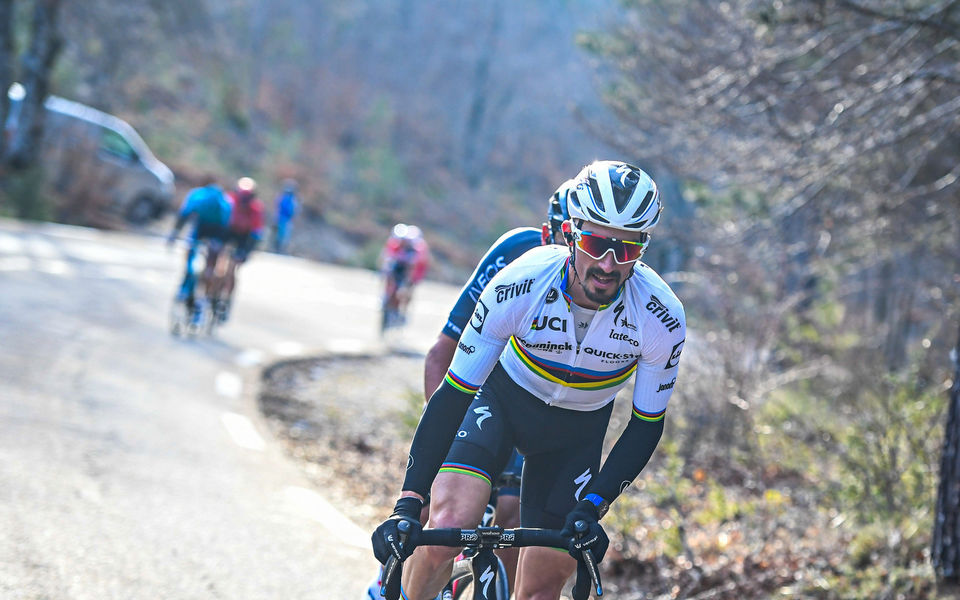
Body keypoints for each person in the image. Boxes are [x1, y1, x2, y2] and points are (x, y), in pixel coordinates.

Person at [371, 161, 686, 600]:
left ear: (643, 248)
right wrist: (410, 501)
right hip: (499, 405)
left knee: (540, 590)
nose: (608, 264)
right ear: (573, 232)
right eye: (597, 242)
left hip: (574, 436)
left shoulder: (660, 317)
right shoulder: (520, 282)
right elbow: (453, 395)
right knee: (445, 530)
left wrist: (595, 505)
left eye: (627, 249)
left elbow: (646, 423)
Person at [364, 181, 575, 599]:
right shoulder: (515, 252)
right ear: (548, 231)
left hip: (540, 417)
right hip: (483, 398)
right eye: (563, 238)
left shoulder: (608, 288)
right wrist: (447, 444)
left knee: (517, 521)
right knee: (442, 516)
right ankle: (399, 583)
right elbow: (442, 353)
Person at [166, 175, 231, 326]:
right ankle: (203, 301)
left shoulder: (197, 195)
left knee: (190, 261)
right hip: (216, 235)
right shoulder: (224, 201)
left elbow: (184, 215)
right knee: (210, 269)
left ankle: (185, 288)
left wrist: (174, 235)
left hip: (198, 231)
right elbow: (226, 224)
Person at [219, 176, 265, 322]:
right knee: (218, 264)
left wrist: (246, 252)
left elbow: (256, 233)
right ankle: (212, 293)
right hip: (228, 232)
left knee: (232, 269)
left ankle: (226, 299)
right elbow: (221, 221)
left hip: (243, 238)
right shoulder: (230, 200)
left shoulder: (255, 209)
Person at [379, 224, 430, 328]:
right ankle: (386, 301)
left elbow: (415, 267)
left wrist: (408, 282)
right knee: (390, 285)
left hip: (411, 274)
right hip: (397, 270)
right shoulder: (395, 244)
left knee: (405, 292)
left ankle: (403, 313)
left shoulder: (417, 249)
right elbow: (385, 258)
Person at [272, 178, 298, 254]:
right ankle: (278, 249)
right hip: (283, 219)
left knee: (282, 235)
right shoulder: (289, 198)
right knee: (281, 235)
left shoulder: (287, 197)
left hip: (284, 219)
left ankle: (279, 249)